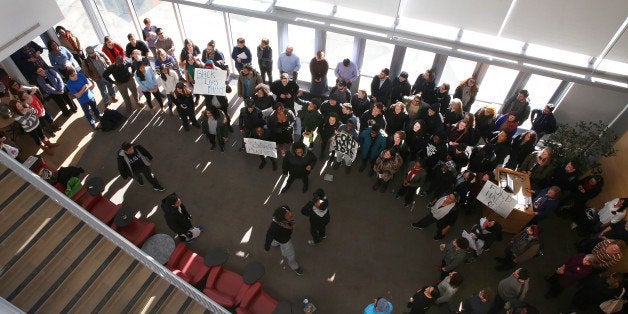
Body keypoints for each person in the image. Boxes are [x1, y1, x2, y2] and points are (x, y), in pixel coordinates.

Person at [264, 206, 303, 275]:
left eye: (289, 213)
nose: (291, 215)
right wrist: (267, 246)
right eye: (289, 216)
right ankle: (294, 266)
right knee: (290, 253)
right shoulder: (274, 228)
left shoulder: (285, 208)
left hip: (280, 237)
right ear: (282, 220)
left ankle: (275, 243)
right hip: (284, 240)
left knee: (275, 241)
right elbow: (268, 236)